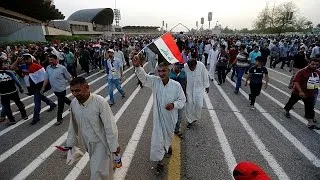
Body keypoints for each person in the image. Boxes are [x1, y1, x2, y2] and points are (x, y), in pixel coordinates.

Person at [133, 55, 186, 174]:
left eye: (164, 71)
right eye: (159, 71)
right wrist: (137, 66)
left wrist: (173, 105)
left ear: (169, 71)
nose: (161, 73)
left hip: (170, 119)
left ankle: (167, 146)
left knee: (167, 137)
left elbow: (182, 100)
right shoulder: (155, 82)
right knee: (157, 140)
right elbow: (144, 78)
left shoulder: (176, 85)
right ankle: (160, 162)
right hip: (158, 119)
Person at [66, 77, 120, 180]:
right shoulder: (74, 103)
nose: (75, 93)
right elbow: (72, 125)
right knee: (103, 171)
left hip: (102, 144)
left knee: (97, 174)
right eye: (72, 91)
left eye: (78, 90)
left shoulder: (100, 102)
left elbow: (110, 127)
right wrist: (70, 144)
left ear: (87, 87)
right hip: (88, 144)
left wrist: (114, 146)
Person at [284, 58, 320, 130]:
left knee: (310, 107)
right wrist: (300, 91)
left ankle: (310, 123)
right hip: (298, 92)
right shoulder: (302, 71)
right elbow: (296, 81)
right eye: (312, 64)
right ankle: (287, 110)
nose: (314, 66)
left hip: (309, 94)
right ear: (309, 63)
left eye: (316, 64)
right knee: (291, 102)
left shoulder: (317, 72)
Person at [22, 54, 56, 125]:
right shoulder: (24, 67)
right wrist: (17, 61)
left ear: (31, 59)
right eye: (25, 59)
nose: (26, 60)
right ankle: (51, 104)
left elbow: (44, 77)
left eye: (27, 59)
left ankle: (36, 117)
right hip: (32, 88)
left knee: (37, 102)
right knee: (41, 97)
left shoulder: (37, 66)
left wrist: (43, 88)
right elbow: (13, 68)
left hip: (39, 87)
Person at [41, 54, 72, 126]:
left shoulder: (62, 68)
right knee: (64, 99)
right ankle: (74, 105)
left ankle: (59, 118)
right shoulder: (48, 68)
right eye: (49, 60)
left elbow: (68, 78)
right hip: (55, 89)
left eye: (52, 60)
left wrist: (73, 86)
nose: (50, 61)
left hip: (62, 89)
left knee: (60, 103)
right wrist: (43, 88)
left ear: (56, 60)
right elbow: (46, 79)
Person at [184, 53, 210, 129]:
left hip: (199, 89)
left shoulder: (201, 65)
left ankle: (195, 117)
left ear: (196, 65)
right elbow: (183, 77)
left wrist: (207, 86)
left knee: (199, 104)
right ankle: (189, 120)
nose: (191, 69)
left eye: (193, 67)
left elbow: (205, 75)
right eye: (190, 68)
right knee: (189, 105)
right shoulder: (185, 66)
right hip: (189, 89)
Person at [0, 59, 28, 125]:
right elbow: (16, 81)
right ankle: (24, 115)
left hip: (4, 94)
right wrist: (20, 88)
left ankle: (12, 120)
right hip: (13, 92)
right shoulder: (9, 72)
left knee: (7, 107)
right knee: (19, 103)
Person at [169, 62, 187, 137]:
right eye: (178, 67)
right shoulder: (168, 74)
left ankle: (176, 130)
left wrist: (186, 96)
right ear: (174, 65)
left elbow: (185, 84)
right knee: (171, 116)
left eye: (181, 68)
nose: (179, 69)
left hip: (180, 98)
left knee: (179, 116)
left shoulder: (183, 73)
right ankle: (169, 131)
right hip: (171, 99)